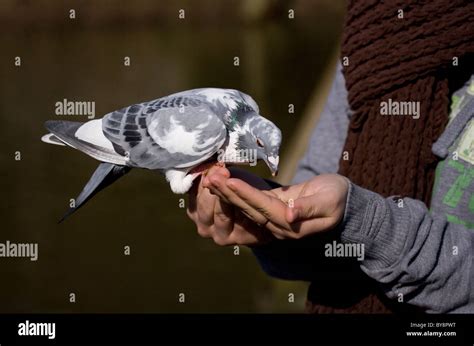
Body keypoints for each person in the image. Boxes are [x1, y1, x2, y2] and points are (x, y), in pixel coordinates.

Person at [187, 0, 474, 313]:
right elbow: (321, 216)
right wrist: (269, 222)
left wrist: (369, 226)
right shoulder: (378, 24)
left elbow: (357, 219)